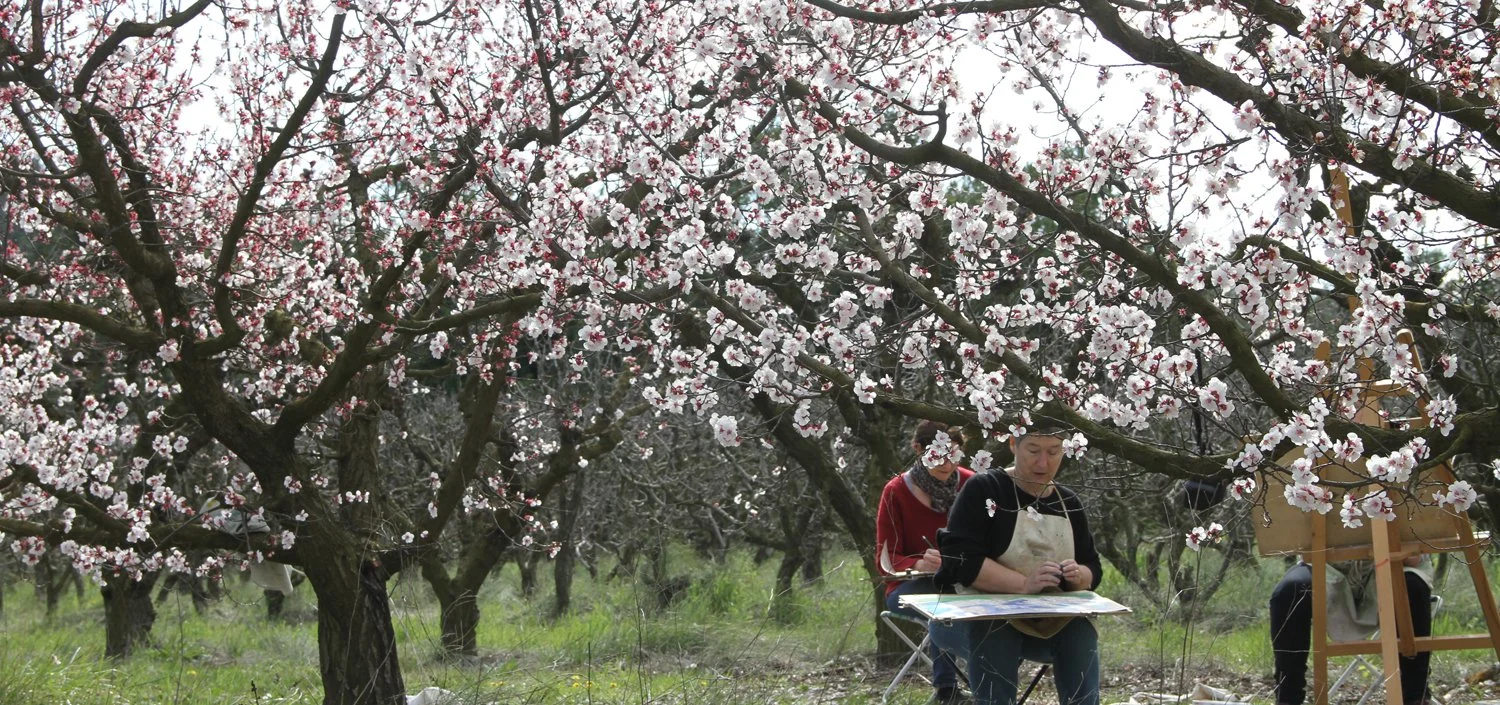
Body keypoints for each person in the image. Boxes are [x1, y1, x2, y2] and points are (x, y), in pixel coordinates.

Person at [931, 420, 1104, 705]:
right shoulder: (984, 489)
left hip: (1043, 623)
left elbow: (1093, 567)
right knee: (997, 631)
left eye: (1054, 451)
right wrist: (1024, 584)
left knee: (1080, 631)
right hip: (966, 620)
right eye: (1033, 450)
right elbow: (962, 561)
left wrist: (1080, 576)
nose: (1043, 462)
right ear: (1013, 444)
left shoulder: (1068, 502)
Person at [877, 420, 976, 705]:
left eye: (954, 455)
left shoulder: (972, 484)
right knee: (942, 606)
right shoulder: (896, 491)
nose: (947, 464)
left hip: (969, 580)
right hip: (909, 585)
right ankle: (947, 690)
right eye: (939, 454)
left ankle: (991, 678)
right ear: (918, 449)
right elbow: (885, 559)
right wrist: (919, 563)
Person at [1269, 555, 1435, 705]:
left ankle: (1415, 696)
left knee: (1411, 586)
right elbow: (1307, 552)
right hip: (1327, 569)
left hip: (1388, 566)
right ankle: (1288, 698)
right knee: (1289, 592)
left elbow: (1414, 557)